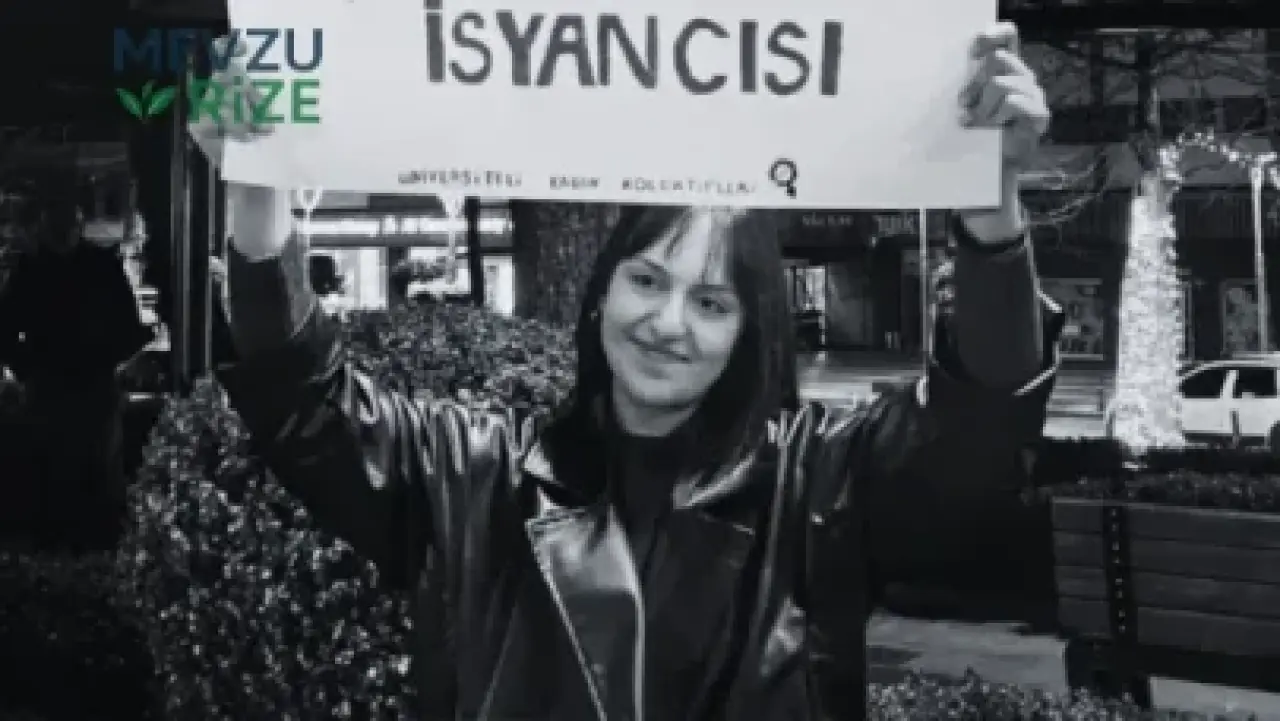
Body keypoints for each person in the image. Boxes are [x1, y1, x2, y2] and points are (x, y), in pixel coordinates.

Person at [195, 23, 1059, 721]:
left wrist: (991, 208)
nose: (667, 323)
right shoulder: (474, 473)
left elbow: (979, 422)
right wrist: (255, 190)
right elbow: (303, 402)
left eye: (711, 301)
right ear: (599, 295)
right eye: (646, 281)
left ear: (749, 333)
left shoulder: (819, 484)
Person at [0, 182, 153, 549]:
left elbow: (4, 331)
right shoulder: (100, 267)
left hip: (58, 385)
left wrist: (26, 369)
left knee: (57, 475)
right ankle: (91, 549)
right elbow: (130, 330)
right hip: (80, 385)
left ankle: (62, 551)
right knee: (90, 475)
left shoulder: (31, 270)